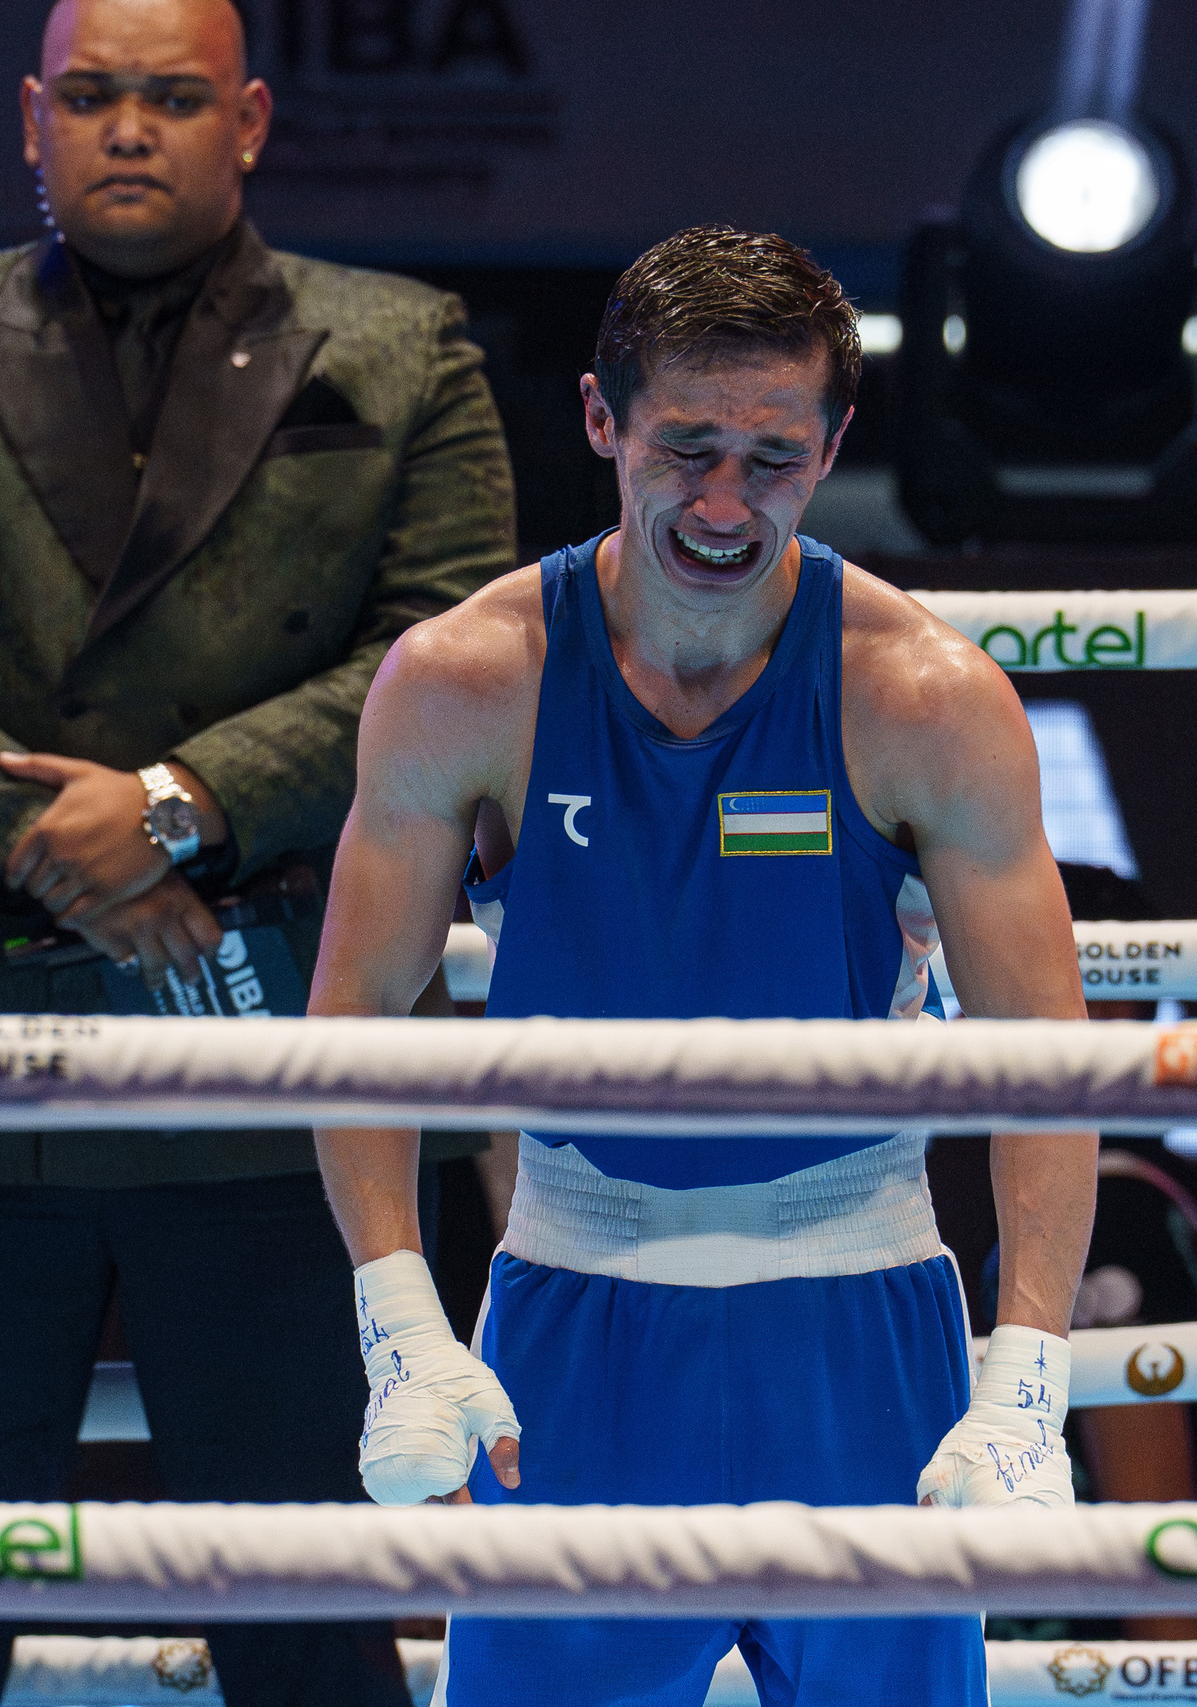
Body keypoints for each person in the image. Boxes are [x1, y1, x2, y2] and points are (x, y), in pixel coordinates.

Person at [0, 0, 514, 1701]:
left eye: (171, 98)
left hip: (279, 1087)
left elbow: (448, 655)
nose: (128, 129)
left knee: (312, 1622)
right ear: (32, 116)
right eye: (92, 95)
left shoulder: (400, 346)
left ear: (247, 119)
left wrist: (173, 803)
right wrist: (53, 834)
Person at [308, 226, 1098, 1707]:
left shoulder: (923, 694)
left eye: (772, 454)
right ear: (603, 421)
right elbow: (355, 1016)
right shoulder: (468, 680)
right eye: (686, 448)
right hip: (573, 1321)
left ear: (834, 444)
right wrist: (402, 1324)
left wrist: (1028, 1374)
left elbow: (1045, 1052)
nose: (726, 502)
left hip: (860, 1325)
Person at [978, 862, 1197, 1645]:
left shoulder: (1113, 1205)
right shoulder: (1165, 1185)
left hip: (1097, 1673)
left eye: (1005, 959)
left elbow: (1151, 1516)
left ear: (1105, 999)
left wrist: (1177, 1677)